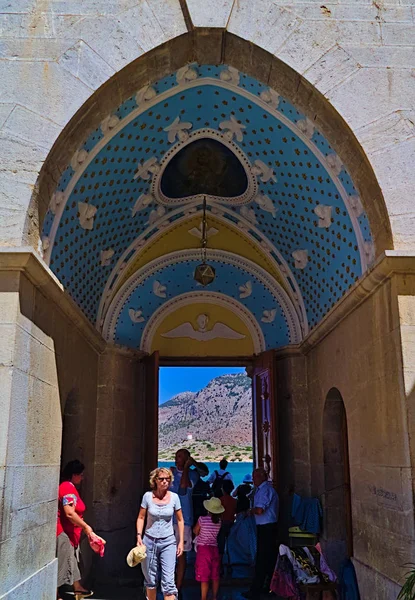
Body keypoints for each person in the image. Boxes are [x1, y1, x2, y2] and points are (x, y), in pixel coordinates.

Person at [56, 460, 105, 600]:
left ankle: (77, 588)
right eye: (81, 475)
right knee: (63, 564)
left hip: (71, 534)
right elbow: (69, 512)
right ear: (74, 475)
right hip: (64, 532)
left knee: (73, 560)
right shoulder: (67, 488)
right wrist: (86, 527)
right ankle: (57, 595)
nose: (82, 478)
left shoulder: (70, 487)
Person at [136, 467, 184, 600]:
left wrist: (180, 541)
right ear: (155, 480)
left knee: (169, 582)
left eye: (167, 479)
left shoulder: (174, 497)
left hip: (168, 541)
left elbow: (180, 520)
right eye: (161, 479)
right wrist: (139, 536)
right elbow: (141, 517)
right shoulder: (147, 497)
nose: (165, 482)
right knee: (150, 580)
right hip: (149, 541)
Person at [170, 448, 209, 592]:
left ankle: (178, 587)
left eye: (180, 457)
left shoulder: (192, 474)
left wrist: (190, 465)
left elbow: (183, 489)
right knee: (168, 552)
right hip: (170, 518)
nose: (176, 459)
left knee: (181, 554)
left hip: (184, 519)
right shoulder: (171, 474)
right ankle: (170, 583)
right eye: (176, 456)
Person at [242, 468, 279, 600]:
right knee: (267, 559)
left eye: (255, 477)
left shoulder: (265, 490)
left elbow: (259, 510)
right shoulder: (261, 490)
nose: (253, 479)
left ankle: (257, 590)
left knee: (263, 559)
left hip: (267, 528)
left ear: (262, 477)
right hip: (265, 527)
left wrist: (249, 511)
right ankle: (267, 586)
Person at [193, 497, 225, 600]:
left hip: (203, 550)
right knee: (215, 576)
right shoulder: (219, 522)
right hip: (214, 549)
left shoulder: (202, 519)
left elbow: (195, 531)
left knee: (204, 577)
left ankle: (203, 598)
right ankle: (214, 597)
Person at [218, 479, 237, 567]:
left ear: (222, 489)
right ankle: (230, 563)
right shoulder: (234, 501)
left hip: (222, 523)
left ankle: (220, 565)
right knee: (230, 545)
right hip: (231, 523)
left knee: (220, 545)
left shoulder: (220, 500)